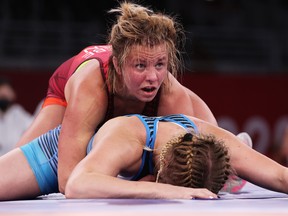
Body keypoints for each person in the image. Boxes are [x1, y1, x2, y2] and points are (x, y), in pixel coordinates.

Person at [15, 1, 219, 194]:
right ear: (119, 66)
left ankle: (238, 142)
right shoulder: (91, 87)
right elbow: (67, 180)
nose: (152, 77)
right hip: (69, 87)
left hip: (148, 93)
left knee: (214, 145)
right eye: (141, 65)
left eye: (160, 65)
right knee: (18, 160)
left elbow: (185, 177)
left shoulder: (170, 92)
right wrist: (134, 187)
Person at [1, 114, 288, 201]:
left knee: (236, 159)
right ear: (161, 169)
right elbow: (76, 185)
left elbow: (279, 175)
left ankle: (230, 179)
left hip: (186, 158)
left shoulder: (210, 138)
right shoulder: (129, 139)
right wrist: (161, 189)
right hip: (59, 157)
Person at [0, 78, 33, 156]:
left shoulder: (19, 113)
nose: (3, 95)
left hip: (15, 161)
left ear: (13, 94)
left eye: (6, 92)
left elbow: (34, 128)